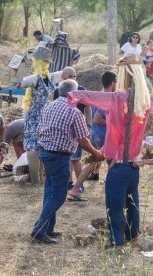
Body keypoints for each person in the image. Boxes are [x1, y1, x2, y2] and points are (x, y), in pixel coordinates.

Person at [67, 82, 153, 246]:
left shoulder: (115, 98)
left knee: (115, 205)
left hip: (117, 166)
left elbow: (90, 96)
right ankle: (132, 234)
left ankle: (116, 240)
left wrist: (74, 95)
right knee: (132, 203)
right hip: (133, 166)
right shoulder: (145, 100)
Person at [30, 79, 104, 244]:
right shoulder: (74, 111)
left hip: (45, 153)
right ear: (73, 93)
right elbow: (83, 140)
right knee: (58, 196)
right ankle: (38, 230)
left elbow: (40, 130)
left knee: (50, 192)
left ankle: (48, 228)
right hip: (59, 156)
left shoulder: (49, 106)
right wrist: (96, 152)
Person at [68, 71, 117, 200]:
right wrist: (116, 122)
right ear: (113, 83)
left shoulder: (101, 95)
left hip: (98, 135)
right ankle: (110, 186)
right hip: (103, 136)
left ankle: (76, 188)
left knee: (96, 160)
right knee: (112, 163)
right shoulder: (108, 97)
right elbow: (97, 119)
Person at [18, 45, 60, 186]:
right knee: (37, 146)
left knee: (34, 146)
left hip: (39, 114)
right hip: (42, 114)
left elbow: (19, 82)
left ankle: (37, 179)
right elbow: (19, 82)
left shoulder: (41, 78)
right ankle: (37, 179)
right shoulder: (43, 79)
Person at [52, 67, 92, 192]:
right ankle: (69, 182)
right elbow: (55, 108)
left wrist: (89, 125)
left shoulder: (81, 90)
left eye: (74, 76)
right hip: (63, 129)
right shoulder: (57, 91)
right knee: (66, 158)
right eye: (70, 76)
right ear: (63, 77)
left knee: (75, 159)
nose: (73, 78)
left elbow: (88, 108)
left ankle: (79, 183)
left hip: (77, 128)